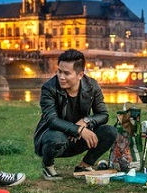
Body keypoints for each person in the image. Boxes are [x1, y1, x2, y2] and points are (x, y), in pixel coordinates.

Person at [33, 49, 117, 181]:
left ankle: (85, 166)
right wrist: (79, 129)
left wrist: (86, 121)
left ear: (80, 75)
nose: (61, 76)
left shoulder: (92, 86)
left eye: (66, 73)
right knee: (56, 136)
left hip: (77, 140)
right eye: (59, 71)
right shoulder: (49, 88)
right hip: (53, 139)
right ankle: (48, 166)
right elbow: (52, 120)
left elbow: (103, 115)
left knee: (110, 132)